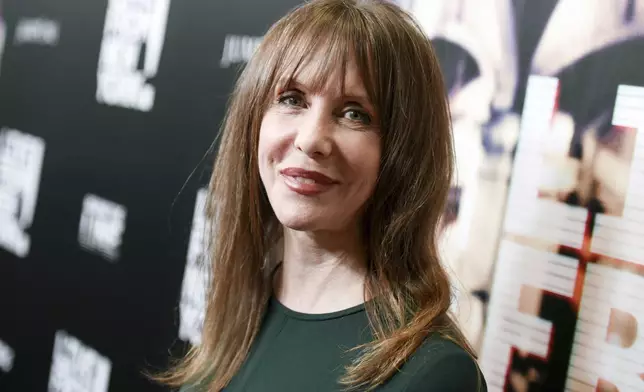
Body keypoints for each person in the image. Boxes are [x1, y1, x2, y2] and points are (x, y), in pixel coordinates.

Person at [155, 0, 487, 390]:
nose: (311, 139)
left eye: (354, 114)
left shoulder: (432, 373)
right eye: (292, 99)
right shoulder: (238, 313)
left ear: (404, 153)